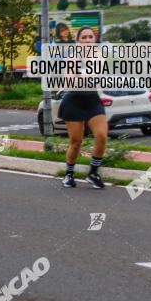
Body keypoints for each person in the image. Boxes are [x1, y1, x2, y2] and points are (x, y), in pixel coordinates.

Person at [59, 26, 106, 189]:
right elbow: (70, 82)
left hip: (93, 100)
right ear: (77, 41)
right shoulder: (72, 58)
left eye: (90, 37)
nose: (87, 40)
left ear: (95, 40)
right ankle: (69, 174)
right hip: (74, 101)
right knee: (76, 141)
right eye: (83, 38)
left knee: (101, 136)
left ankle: (93, 173)